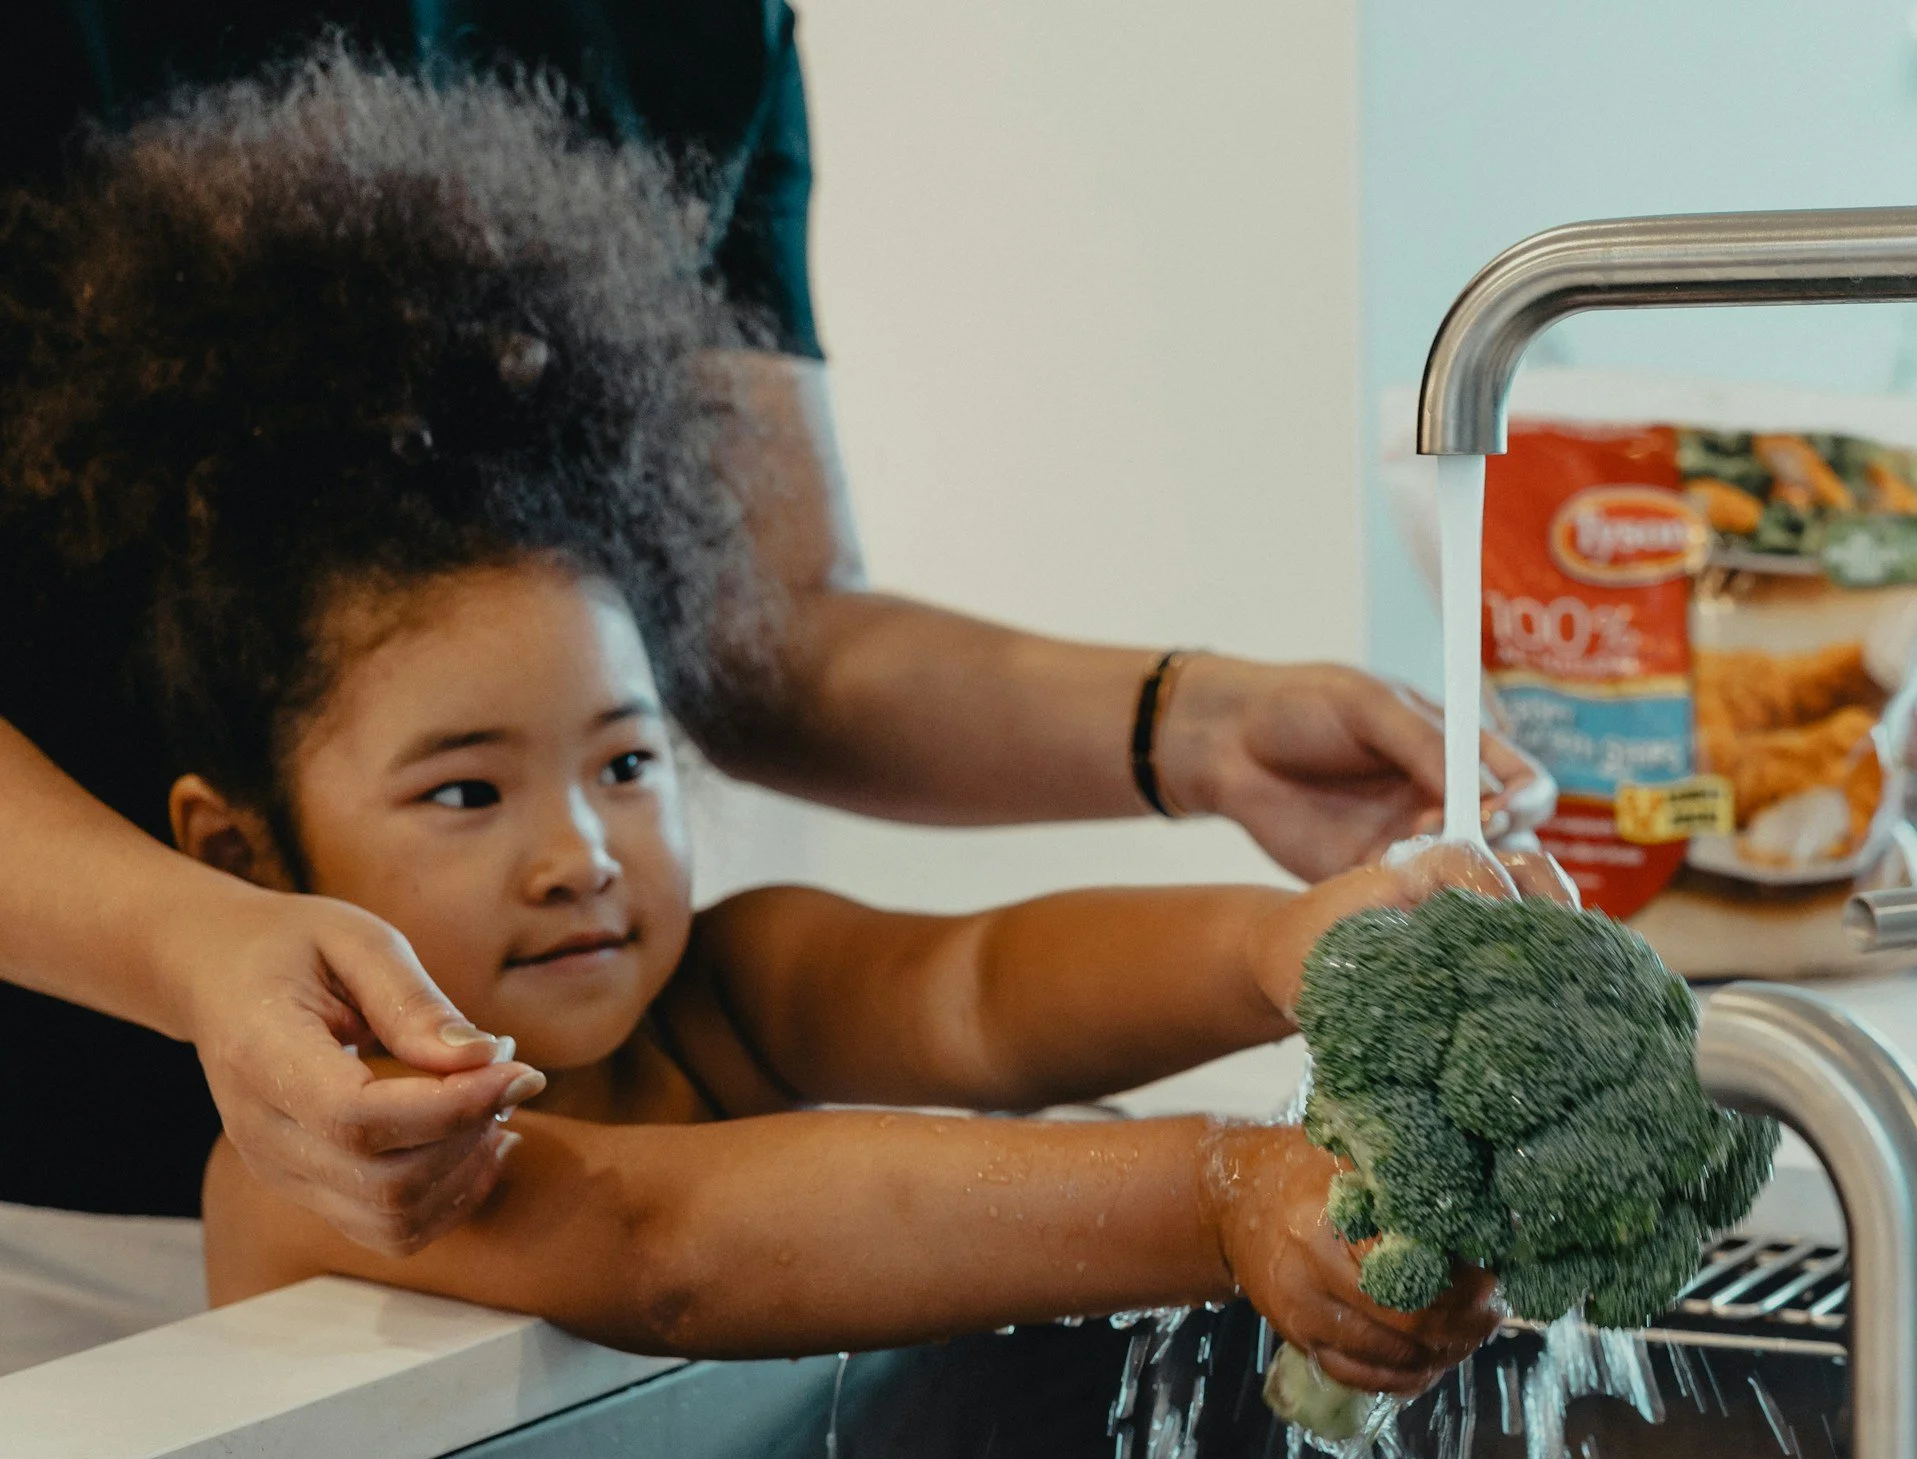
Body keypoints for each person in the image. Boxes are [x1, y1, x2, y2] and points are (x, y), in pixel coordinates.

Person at [16, 53, 1521, 1388]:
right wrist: (1219, 1191)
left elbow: (975, 988)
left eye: (623, 759)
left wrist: (1304, 946)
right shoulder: (321, 1166)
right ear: (242, 849)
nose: (580, 852)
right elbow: (663, 1240)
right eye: (468, 795)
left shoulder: (715, 991)